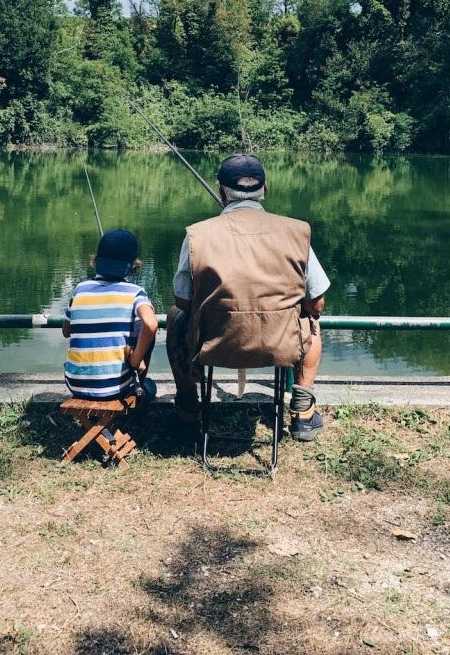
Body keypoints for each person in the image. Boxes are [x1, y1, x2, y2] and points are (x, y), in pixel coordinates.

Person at [166, 154, 330, 441]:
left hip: (213, 345)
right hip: (281, 345)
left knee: (174, 317)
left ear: (220, 191)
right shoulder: (296, 232)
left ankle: (188, 405)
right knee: (312, 323)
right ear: (266, 187)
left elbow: (183, 302)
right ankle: (303, 412)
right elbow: (316, 303)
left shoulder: (196, 236)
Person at [63, 228, 158, 402]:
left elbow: (66, 331)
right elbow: (151, 325)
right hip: (115, 388)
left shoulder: (79, 289)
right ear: (133, 266)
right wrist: (136, 360)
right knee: (143, 337)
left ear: (96, 261)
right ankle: (139, 385)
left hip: (75, 384)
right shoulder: (135, 293)